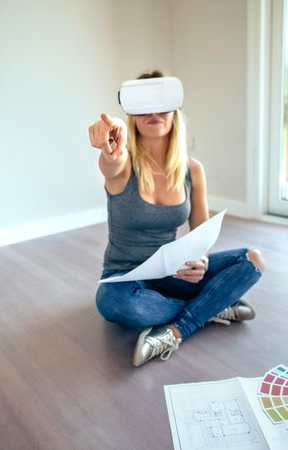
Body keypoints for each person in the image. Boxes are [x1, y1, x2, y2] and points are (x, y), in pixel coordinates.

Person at [88, 70, 265, 367]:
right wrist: (110, 150)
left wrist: (202, 261)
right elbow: (111, 162)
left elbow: (200, 230)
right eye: (144, 103)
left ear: (175, 111)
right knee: (112, 303)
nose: (154, 111)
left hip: (173, 274)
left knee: (252, 260)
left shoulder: (192, 170)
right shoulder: (122, 163)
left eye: (162, 102)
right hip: (126, 280)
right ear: (132, 114)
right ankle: (211, 307)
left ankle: (176, 329)